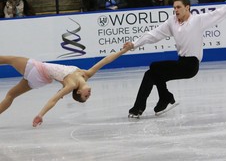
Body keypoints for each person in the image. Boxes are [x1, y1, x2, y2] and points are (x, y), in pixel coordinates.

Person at [124, 0, 226, 118]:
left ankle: (166, 97)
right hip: (180, 62)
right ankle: (140, 108)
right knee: (150, 74)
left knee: (155, 67)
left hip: (190, 66)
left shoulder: (198, 20)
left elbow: (219, 13)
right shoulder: (172, 22)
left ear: (187, 7)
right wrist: (134, 44)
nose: (176, 10)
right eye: (174, 8)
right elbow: (154, 34)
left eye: (179, 7)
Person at [0, 47, 129, 127]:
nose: (89, 94)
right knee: (11, 95)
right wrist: (124, 50)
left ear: (78, 91)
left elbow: (53, 100)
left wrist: (40, 115)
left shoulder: (71, 84)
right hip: (41, 79)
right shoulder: (87, 74)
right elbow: (106, 60)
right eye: (88, 96)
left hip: (38, 70)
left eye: (85, 96)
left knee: (9, 59)